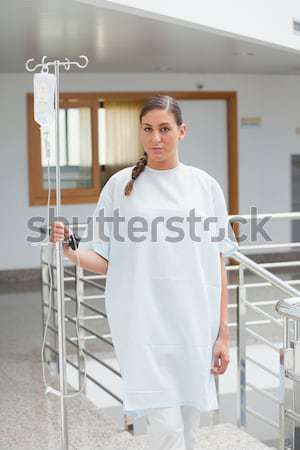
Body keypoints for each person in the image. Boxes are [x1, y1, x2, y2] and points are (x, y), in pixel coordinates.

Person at [51, 95, 238, 450]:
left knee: (190, 423)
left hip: (193, 323)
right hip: (143, 324)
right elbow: (105, 260)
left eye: (165, 129)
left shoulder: (205, 186)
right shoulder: (121, 187)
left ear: (181, 132)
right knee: (166, 429)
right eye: (148, 129)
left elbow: (217, 261)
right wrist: (69, 249)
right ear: (140, 132)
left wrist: (223, 334)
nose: (156, 138)